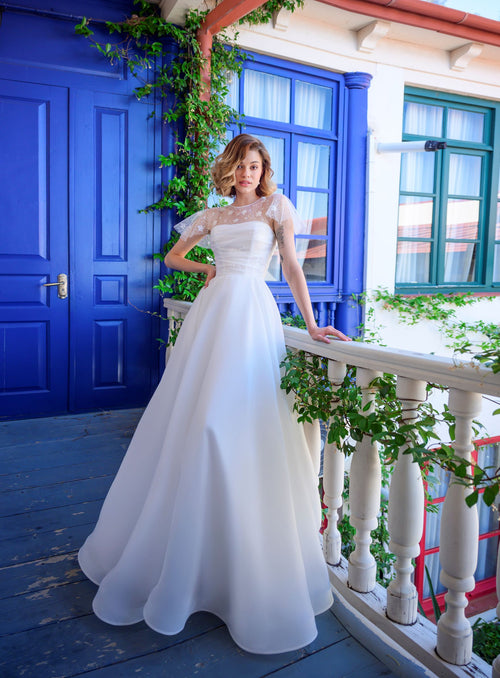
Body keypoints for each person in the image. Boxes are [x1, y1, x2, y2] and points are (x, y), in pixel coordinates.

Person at [78, 133, 351, 655]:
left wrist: (314, 326)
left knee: (237, 424)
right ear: (229, 170)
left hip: (252, 317)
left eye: (255, 165)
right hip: (212, 318)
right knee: (197, 421)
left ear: (263, 170)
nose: (247, 172)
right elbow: (173, 257)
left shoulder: (277, 207)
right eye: (240, 165)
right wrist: (206, 268)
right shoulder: (212, 216)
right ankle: (187, 557)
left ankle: (240, 562)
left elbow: (292, 265)